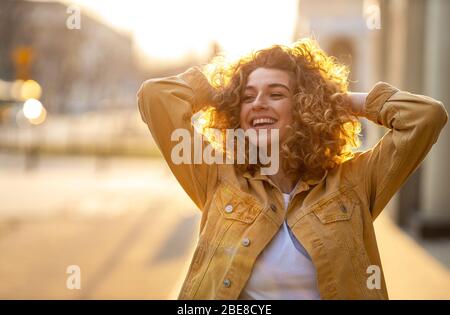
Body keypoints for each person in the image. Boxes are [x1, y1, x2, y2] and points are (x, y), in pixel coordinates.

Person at [136, 38, 447, 299]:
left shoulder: (354, 182)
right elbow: (156, 97)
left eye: (276, 94)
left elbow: (425, 118)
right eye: (248, 96)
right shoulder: (218, 177)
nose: (258, 103)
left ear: (304, 107)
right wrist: (221, 96)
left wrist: (341, 101)